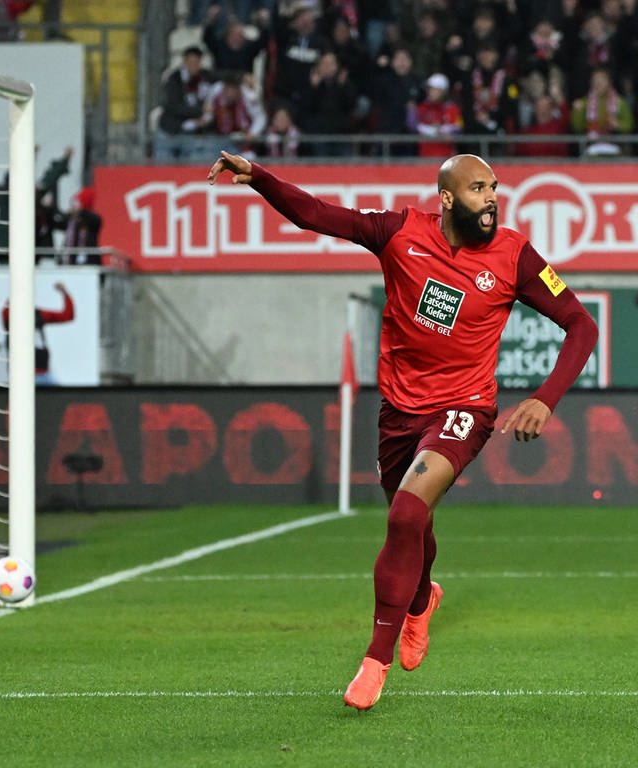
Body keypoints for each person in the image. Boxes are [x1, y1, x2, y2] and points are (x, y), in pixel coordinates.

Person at [206, 150, 598, 710]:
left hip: (465, 408)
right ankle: (420, 600)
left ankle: (374, 661)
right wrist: (260, 178)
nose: (490, 198)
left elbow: (581, 324)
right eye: (478, 189)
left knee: (407, 513)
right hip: (399, 411)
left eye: (494, 188)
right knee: (410, 524)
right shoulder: (399, 233)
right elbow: (316, 215)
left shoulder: (515, 255)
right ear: (446, 198)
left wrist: (545, 397)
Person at [1, 282, 75, 385]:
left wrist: (65, 293)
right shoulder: (9, 315)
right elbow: (6, 313)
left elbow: (67, 316)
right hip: (22, 375)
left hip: (43, 374)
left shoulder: (38, 314)